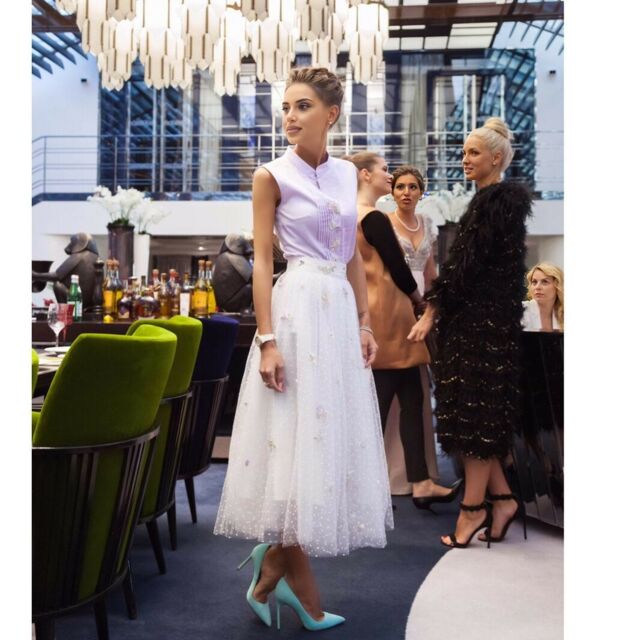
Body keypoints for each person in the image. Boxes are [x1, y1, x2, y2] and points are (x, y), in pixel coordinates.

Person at [214, 67, 393, 631]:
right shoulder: (270, 175)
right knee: (293, 444)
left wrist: (365, 322)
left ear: (331, 114)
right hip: (294, 313)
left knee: (324, 440)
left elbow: (351, 255)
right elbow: (263, 262)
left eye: (302, 106)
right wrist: (266, 339)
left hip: (337, 312)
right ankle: (300, 589)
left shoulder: (347, 175)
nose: (289, 116)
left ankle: (272, 566)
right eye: (286, 107)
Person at [411, 117, 532, 548]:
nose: (465, 159)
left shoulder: (495, 203)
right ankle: (503, 500)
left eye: (473, 152)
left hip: (482, 326)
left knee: (475, 419)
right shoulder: (490, 201)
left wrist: (431, 311)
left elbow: (465, 267)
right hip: (481, 323)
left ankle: (472, 510)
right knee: (472, 415)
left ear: (496, 158)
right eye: (464, 152)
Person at [348, 153, 460, 507]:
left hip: (381, 312)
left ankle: (420, 482)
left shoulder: (349, 214)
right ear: (365, 175)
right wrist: (421, 302)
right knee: (380, 404)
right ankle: (360, 489)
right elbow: (398, 268)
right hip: (390, 313)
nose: (389, 176)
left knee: (411, 397)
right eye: (384, 171)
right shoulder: (374, 218)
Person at [522, 262, 564, 331]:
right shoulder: (520, 310)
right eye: (534, 282)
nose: (537, 287)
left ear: (558, 286)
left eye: (545, 282)